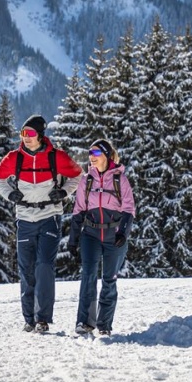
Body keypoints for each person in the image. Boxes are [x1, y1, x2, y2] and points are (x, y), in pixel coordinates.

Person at [0, 114, 82, 334]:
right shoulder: (15, 158)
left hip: (50, 217)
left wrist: (64, 191)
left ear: (41, 135)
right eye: (23, 134)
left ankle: (42, 319)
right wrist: (9, 194)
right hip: (24, 218)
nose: (26, 138)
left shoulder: (56, 157)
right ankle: (29, 319)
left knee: (44, 266)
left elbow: (78, 175)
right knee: (26, 269)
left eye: (30, 134)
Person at [68, 138, 136, 336]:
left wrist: (123, 232)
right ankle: (84, 322)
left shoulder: (119, 179)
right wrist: (73, 239)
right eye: (90, 154)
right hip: (90, 234)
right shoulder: (86, 180)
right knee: (88, 275)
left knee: (109, 279)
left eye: (96, 153)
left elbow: (129, 208)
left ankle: (104, 324)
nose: (92, 157)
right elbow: (78, 209)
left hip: (114, 235)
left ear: (106, 155)